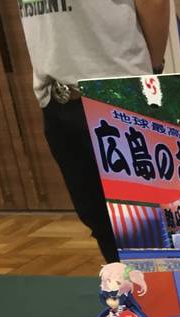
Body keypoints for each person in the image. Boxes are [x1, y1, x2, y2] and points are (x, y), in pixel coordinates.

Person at [20, 0, 170, 263]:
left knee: (146, 225)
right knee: (97, 219)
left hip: (118, 93)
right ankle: (123, 286)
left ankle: (159, 288)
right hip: (56, 96)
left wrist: (152, 69)